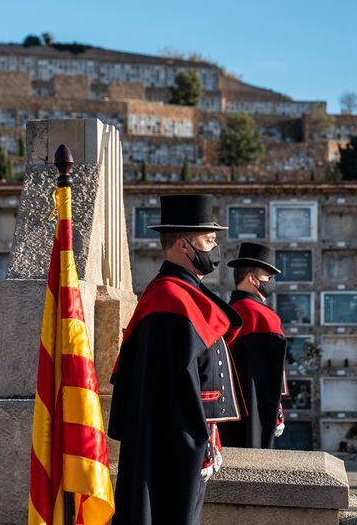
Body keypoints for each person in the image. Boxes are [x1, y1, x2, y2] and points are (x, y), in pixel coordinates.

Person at [108, 194, 242, 525]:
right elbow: (175, 392)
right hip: (173, 452)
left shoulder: (179, 294)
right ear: (184, 245)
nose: (215, 248)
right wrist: (198, 447)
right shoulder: (169, 300)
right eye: (209, 240)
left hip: (186, 446)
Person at [219, 242, 287, 449]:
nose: (271, 282)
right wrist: (276, 411)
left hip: (228, 410)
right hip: (256, 410)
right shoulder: (261, 315)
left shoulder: (227, 311)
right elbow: (268, 376)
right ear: (252, 278)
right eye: (268, 277)